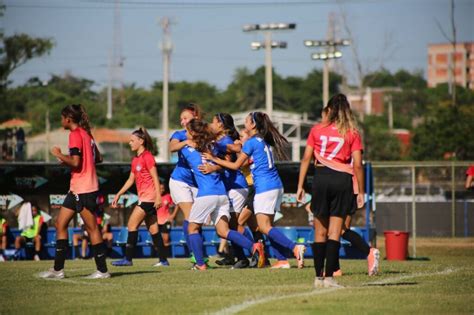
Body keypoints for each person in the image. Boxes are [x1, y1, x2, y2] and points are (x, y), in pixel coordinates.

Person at [203, 111, 306, 269]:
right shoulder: (263, 140)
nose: (244, 123)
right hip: (276, 185)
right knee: (268, 226)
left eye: (247, 121)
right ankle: (282, 260)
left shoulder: (251, 142)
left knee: (263, 227)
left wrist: (215, 160)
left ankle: (294, 248)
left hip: (265, 187)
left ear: (253, 125)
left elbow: (236, 165)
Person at [296, 93, 367, 288]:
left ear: (329, 110)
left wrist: (300, 186)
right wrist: (360, 191)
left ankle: (318, 277)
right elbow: (358, 165)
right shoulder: (352, 132)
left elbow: (306, 159)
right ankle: (329, 277)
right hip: (343, 180)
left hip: (321, 178)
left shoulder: (317, 130)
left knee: (320, 231)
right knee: (335, 231)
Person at [181, 119, 264, 271]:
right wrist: (216, 167)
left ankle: (200, 264)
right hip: (222, 195)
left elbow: (174, 147)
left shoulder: (187, 150)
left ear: (192, 133)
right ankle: (254, 247)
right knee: (223, 231)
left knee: (192, 228)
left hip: (207, 195)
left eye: (187, 131)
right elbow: (230, 153)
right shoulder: (213, 147)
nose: (184, 135)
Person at [39, 104, 110, 279]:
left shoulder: (75, 134)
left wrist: (59, 154)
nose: (61, 121)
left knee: (92, 228)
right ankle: (58, 270)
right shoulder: (87, 134)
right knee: (60, 224)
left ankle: (102, 271)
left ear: (68, 119)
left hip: (84, 188)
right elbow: (98, 158)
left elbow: (77, 163)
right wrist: (68, 160)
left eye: (62, 118)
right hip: (76, 189)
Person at [111, 127, 169, 267]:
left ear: (141, 141)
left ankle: (128, 259)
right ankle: (163, 260)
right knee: (154, 230)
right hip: (145, 198)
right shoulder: (135, 159)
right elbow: (131, 180)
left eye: (132, 140)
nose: (130, 143)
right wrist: (119, 194)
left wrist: (158, 198)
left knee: (132, 224)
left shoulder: (148, 156)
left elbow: (155, 177)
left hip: (148, 199)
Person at [205, 113, 250, 268]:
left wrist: (237, 147)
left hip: (237, 186)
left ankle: (247, 256)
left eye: (213, 122)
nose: (211, 125)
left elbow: (236, 148)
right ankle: (234, 257)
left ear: (221, 125)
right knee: (229, 227)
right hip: (230, 187)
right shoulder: (218, 141)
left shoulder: (225, 140)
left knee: (233, 227)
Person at [168, 104, 201, 260]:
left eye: (185, 118)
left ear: (196, 118)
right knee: (191, 216)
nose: (182, 121)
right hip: (179, 181)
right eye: (181, 119)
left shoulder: (204, 135)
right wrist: (186, 142)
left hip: (197, 183)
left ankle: (198, 253)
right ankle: (196, 256)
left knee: (197, 220)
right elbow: (172, 147)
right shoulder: (180, 134)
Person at [156, 183, 174, 261]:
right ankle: (160, 256)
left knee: (166, 239)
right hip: (156, 221)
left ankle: (166, 256)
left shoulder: (168, 196)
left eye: (163, 188)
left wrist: (172, 216)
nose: (162, 190)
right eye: (160, 188)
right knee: (157, 240)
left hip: (166, 221)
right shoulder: (154, 197)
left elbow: (175, 206)